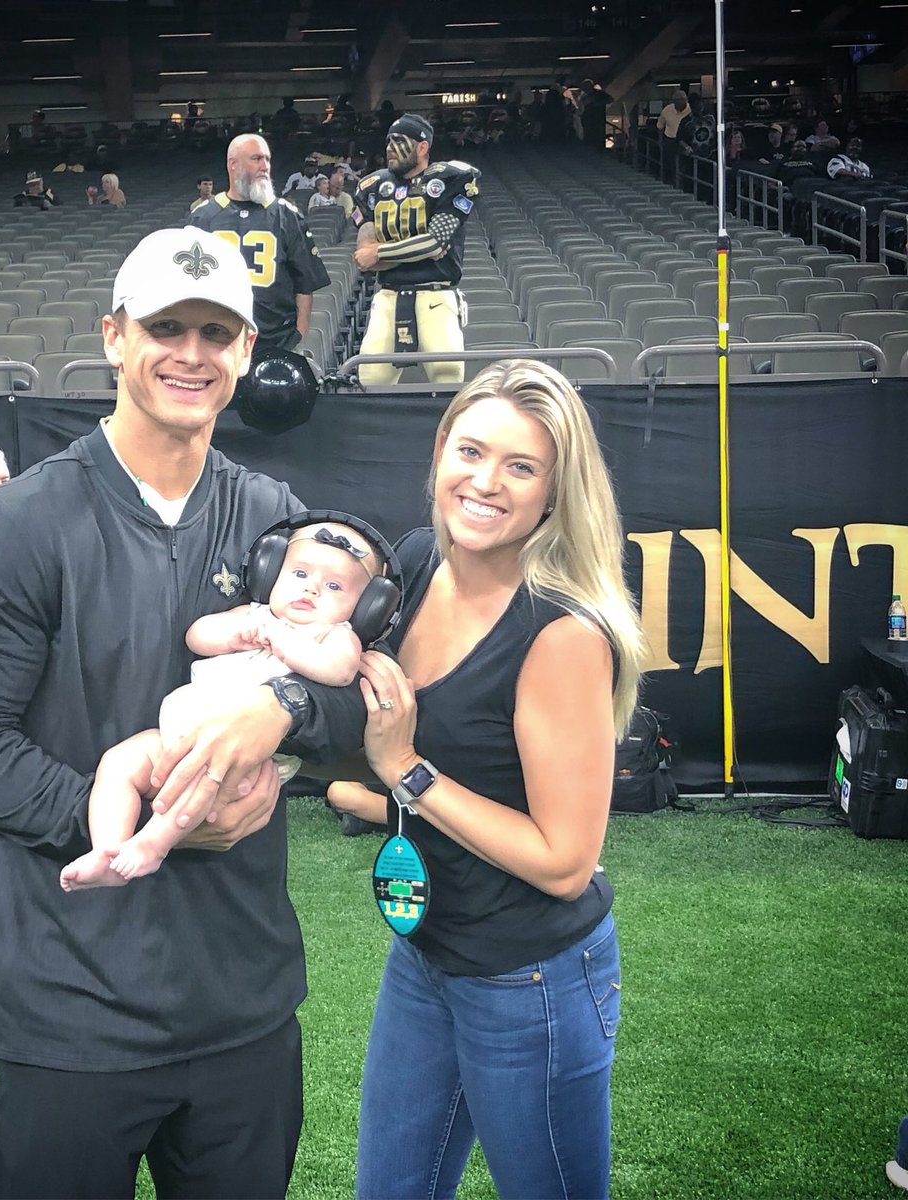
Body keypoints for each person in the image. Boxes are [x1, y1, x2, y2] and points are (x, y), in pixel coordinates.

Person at [0, 226, 366, 1199]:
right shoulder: (17, 525)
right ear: (115, 336)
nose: (192, 353)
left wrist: (282, 712)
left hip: (242, 1007)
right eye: (166, 326)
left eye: (217, 331)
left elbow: (361, 699)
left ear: (248, 351)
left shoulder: (274, 515)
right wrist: (153, 821)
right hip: (73, 1014)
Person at [328, 359, 644, 1200]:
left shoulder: (560, 634)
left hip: (530, 977)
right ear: (439, 452)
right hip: (427, 954)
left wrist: (405, 772)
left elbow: (564, 860)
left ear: (553, 492)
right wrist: (345, 778)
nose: (486, 483)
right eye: (471, 451)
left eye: (521, 467)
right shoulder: (419, 559)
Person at [61, 519, 381, 888]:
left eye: (334, 586)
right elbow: (197, 636)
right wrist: (234, 636)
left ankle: (153, 844)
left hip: (243, 758)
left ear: (364, 608)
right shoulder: (255, 614)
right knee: (118, 763)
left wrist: (285, 643)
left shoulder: (335, 635)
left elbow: (340, 671)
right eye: (299, 573)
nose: (311, 588)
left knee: (199, 786)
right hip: (177, 736)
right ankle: (107, 849)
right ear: (270, 572)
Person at [351, 113, 481, 386]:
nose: (389, 148)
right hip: (388, 295)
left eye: (399, 140)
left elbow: (436, 241)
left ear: (423, 147)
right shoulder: (372, 187)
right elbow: (364, 256)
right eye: (388, 141)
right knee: (371, 377)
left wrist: (382, 252)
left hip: (436, 293)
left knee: (447, 376)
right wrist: (415, 249)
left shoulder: (450, 179)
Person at [189, 133, 331, 357]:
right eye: (256, 158)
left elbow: (305, 284)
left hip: (276, 342)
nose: (265, 166)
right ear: (233, 164)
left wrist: (299, 334)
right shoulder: (203, 217)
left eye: (267, 159)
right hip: (216, 343)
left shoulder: (288, 215)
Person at [656, 89, 690, 182]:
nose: (678, 103)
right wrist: (660, 140)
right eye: (676, 101)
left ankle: (682, 183)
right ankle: (672, 182)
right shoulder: (667, 110)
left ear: (685, 100)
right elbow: (660, 126)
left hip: (685, 141)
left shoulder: (691, 110)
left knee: (684, 165)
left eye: (681, 100)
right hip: (670, 139)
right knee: (671, 164)